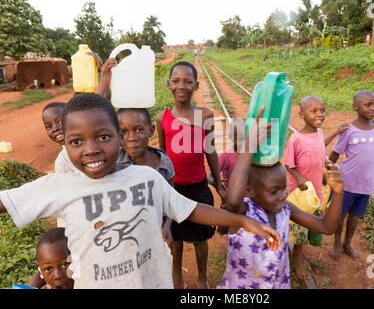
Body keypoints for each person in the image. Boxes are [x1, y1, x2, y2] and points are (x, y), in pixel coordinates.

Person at [0, 93, 280, 289]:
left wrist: (242, 220)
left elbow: (189, 209)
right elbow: (7, 201)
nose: (91, 149)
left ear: (118, 137)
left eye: (103, 137)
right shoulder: (60, 185)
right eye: (76, 141)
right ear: (66, 145)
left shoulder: (146, 177)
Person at [217, 107, 345, 289]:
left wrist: (339, 192)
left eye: (284, 188)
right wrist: (248, 147)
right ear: (249, 191)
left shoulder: (286, 209)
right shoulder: (242, 213)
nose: (283, 195)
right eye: (274, 191)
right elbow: (232, 200)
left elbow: (327, 227)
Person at [156, 61, 226, 289]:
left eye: (187, 81)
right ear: (168, 84)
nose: (181, 85)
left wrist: (218, 183)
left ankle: (202, 277)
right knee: (175, 238)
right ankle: (176, 276)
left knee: (200, 237)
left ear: (196, 85)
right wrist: (162, 187)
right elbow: (162, 155)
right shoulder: (162, 118)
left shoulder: (205, 114)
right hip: (173, 188)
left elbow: (211, 150)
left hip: (198, 186)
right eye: (176, 81)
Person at [284, 95, 348, 279]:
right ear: (301, 114)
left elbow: (321, 144)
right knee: (299, 227)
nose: (319, 114)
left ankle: (299, 253)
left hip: (315, 191)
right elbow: (288, 164)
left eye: (322, 110)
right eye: (314, 111)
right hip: (300, 194)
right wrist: (299, 178)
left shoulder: (318, 133)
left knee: (309, 223)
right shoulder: (296, 138)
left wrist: (335, 133)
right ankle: (297, 259)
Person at [328, 90, 374, 260]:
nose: (373, 108)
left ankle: (348, 243)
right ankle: (337, 243)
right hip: (346, 183)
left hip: (365, 184)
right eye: (368, 105)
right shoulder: (348, 130)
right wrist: (327, 175)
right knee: (340, 216)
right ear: (356, 107)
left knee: (355, 216)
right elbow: (334, 155)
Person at [117, 107, 176, 243]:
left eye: (139, 129)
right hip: (124, 234)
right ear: (117, 135)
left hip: (155, 229)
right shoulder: (114, 162)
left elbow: (171, 199)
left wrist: (167, 225)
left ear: (151, 130)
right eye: (124, 132)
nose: (132, 138)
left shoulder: (162, 161)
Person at [207, 118, 246, 235]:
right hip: (231, 199)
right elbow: (210, 176)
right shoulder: (226, 155)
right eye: (237, 139)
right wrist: (220, 188)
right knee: (230, 228)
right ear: (230, 137)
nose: (240, 142)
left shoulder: (252, 154)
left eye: (244, 138)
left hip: (249, 199)